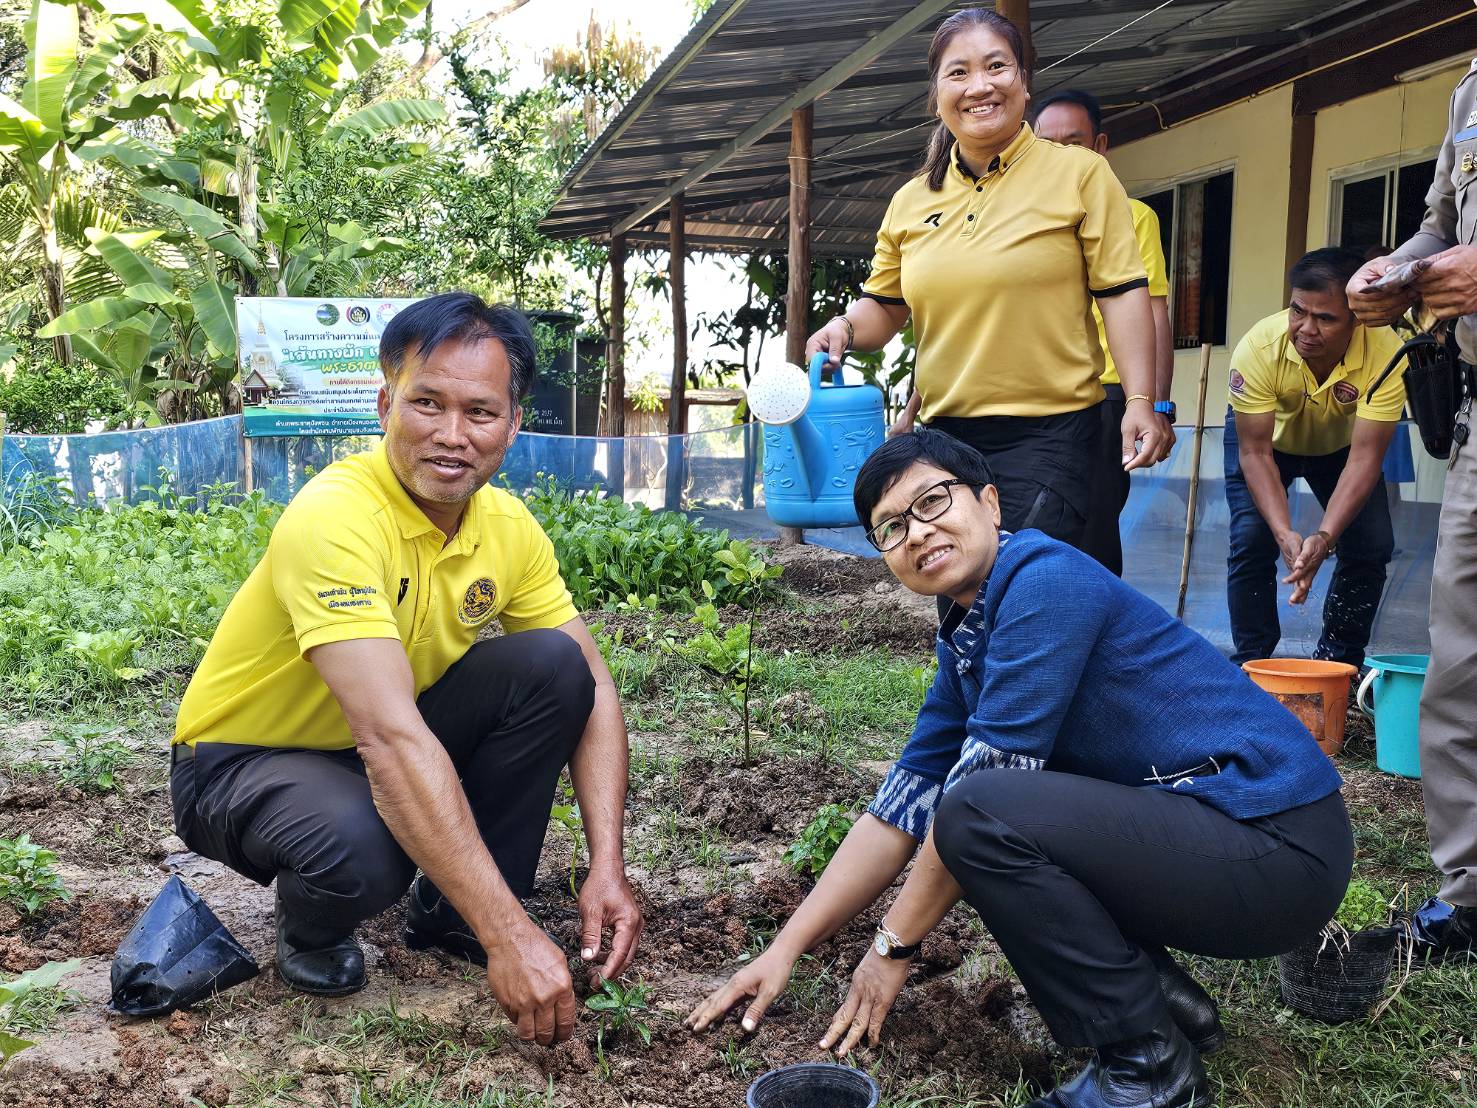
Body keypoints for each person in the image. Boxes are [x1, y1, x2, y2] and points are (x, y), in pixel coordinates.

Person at [689, 428, 1352, 1108]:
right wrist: (785, 948)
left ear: (990, 502)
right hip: (1214, 844)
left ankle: (1147, 1070)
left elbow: (969, 807)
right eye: (889, 528)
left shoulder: (1045, 583)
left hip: (1277, 851)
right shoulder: (968, 631)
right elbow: (899, 807)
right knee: (984, 812)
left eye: (931, 503)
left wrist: (892, 950)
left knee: (982, 813)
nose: (915, 533)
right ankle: (1164, 1007)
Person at [170, 292, 643, 1044]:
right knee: (366, 846)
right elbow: (389, 740)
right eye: (427, 403)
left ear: (515, 424)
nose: (452, 435)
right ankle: (311, 927)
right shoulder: (336, 516)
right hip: (239, 763)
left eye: (480, 413)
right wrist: (511, 937)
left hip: (377, 741)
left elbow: (597, 690)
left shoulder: (508, 528)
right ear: (385, 403)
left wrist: (606, 866)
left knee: (554, 667)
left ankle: (454, 919)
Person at [806, 7, 1165, 556]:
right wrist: (843, 329)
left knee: (1018, 577)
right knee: (959, 586)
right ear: (937, 93)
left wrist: (1141, 399)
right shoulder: (910, 200)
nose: (979, 86)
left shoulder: (1080, 174)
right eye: (958, 72)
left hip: (1052, 430)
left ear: (1023, 81)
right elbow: (884, 305)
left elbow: (1122, 294)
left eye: (996, 66)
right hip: (945, 438)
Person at [1346, 55, 1477, 963]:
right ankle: (1469, 897)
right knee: (1459, 662)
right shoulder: (1471, 87)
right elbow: (1442, 222)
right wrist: (1397, 268)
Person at [1224, 248, 1407, 669]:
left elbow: (1364, 459)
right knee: (1251, 540)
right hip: (1269, 444)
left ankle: (1339, 661)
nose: (1306, 329)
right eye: (1297, 311)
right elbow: (1254, 451)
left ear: (1357, 318)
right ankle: (1252, 663)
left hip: (1342, 449)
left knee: (1371, 545)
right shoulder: (1258, 348)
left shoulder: (1387, 354)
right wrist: (1285, 531)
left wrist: (1324, 538)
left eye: (1325, 318)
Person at [1032, 88, 1176, 576]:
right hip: (1032, 396)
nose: (1058, 156)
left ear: (1099, 146)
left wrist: (1157, 406)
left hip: (1108, 393)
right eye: (1045, 143)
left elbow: (1153, 312)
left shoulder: (1132, 216)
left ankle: (1097, 642)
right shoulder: (1014, 221)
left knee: (1092, 532)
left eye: (1073, 142)